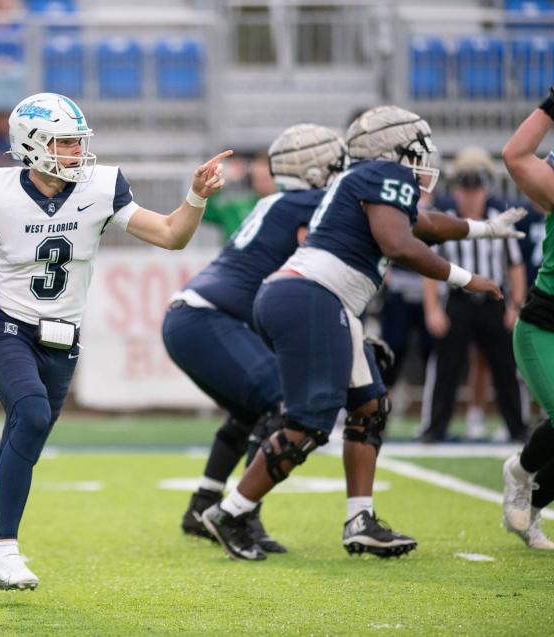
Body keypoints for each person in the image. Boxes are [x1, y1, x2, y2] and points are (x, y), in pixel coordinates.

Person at [0, 92, 230, 590]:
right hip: (6, 326)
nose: (76, 152)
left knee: (20, 446)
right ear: (32, 145)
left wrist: (195, 196)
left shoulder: (101, 185)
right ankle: (5, 554)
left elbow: (170, 235)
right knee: (28, 416)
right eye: (65, 142)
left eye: (77, 142)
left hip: (62, 338)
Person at [201, 106, 520, 561]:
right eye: (417, 150)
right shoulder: (384, 173)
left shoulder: (366, 180)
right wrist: (467, 279)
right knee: (309, 422)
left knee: (370, 405)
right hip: (312, 296)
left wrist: (483, 228)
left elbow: (422, 225)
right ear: (396, 150)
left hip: (318, 298)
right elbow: (398, 244)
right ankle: (230, 511)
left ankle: (360, 520)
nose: (424, 160)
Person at [163, 124, 347, 554]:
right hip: (209, 317)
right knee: (280, 404)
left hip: (192, 315)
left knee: (251, 409)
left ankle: (204, 503)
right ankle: (240, 515)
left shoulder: (278, 202)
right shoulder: (312, 204)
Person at [419, 147, 527, 443]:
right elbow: (430, 269)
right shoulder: (445, 221)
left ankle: (518, 427)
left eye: (475, 188)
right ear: (454, 190)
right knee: (446, 366)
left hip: (493, 300)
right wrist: (432, 309)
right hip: (457, 301)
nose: (469, 195)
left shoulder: (497, 219)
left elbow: (515, 266)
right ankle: (434, 428)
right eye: (463, 189)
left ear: (485, 188)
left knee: (506, 365)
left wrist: (515, 306)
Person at [500, 85, 554, 550]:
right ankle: (518, 471)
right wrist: (551, 106)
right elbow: (517, 157)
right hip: (546, 325)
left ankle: (532, 506)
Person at [202, 151, 277, 239]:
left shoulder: (284, 206)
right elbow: (205, 213)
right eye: (259, 178)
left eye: (266, 179)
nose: (263, 184)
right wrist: (219, 182)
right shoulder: (235, 207)